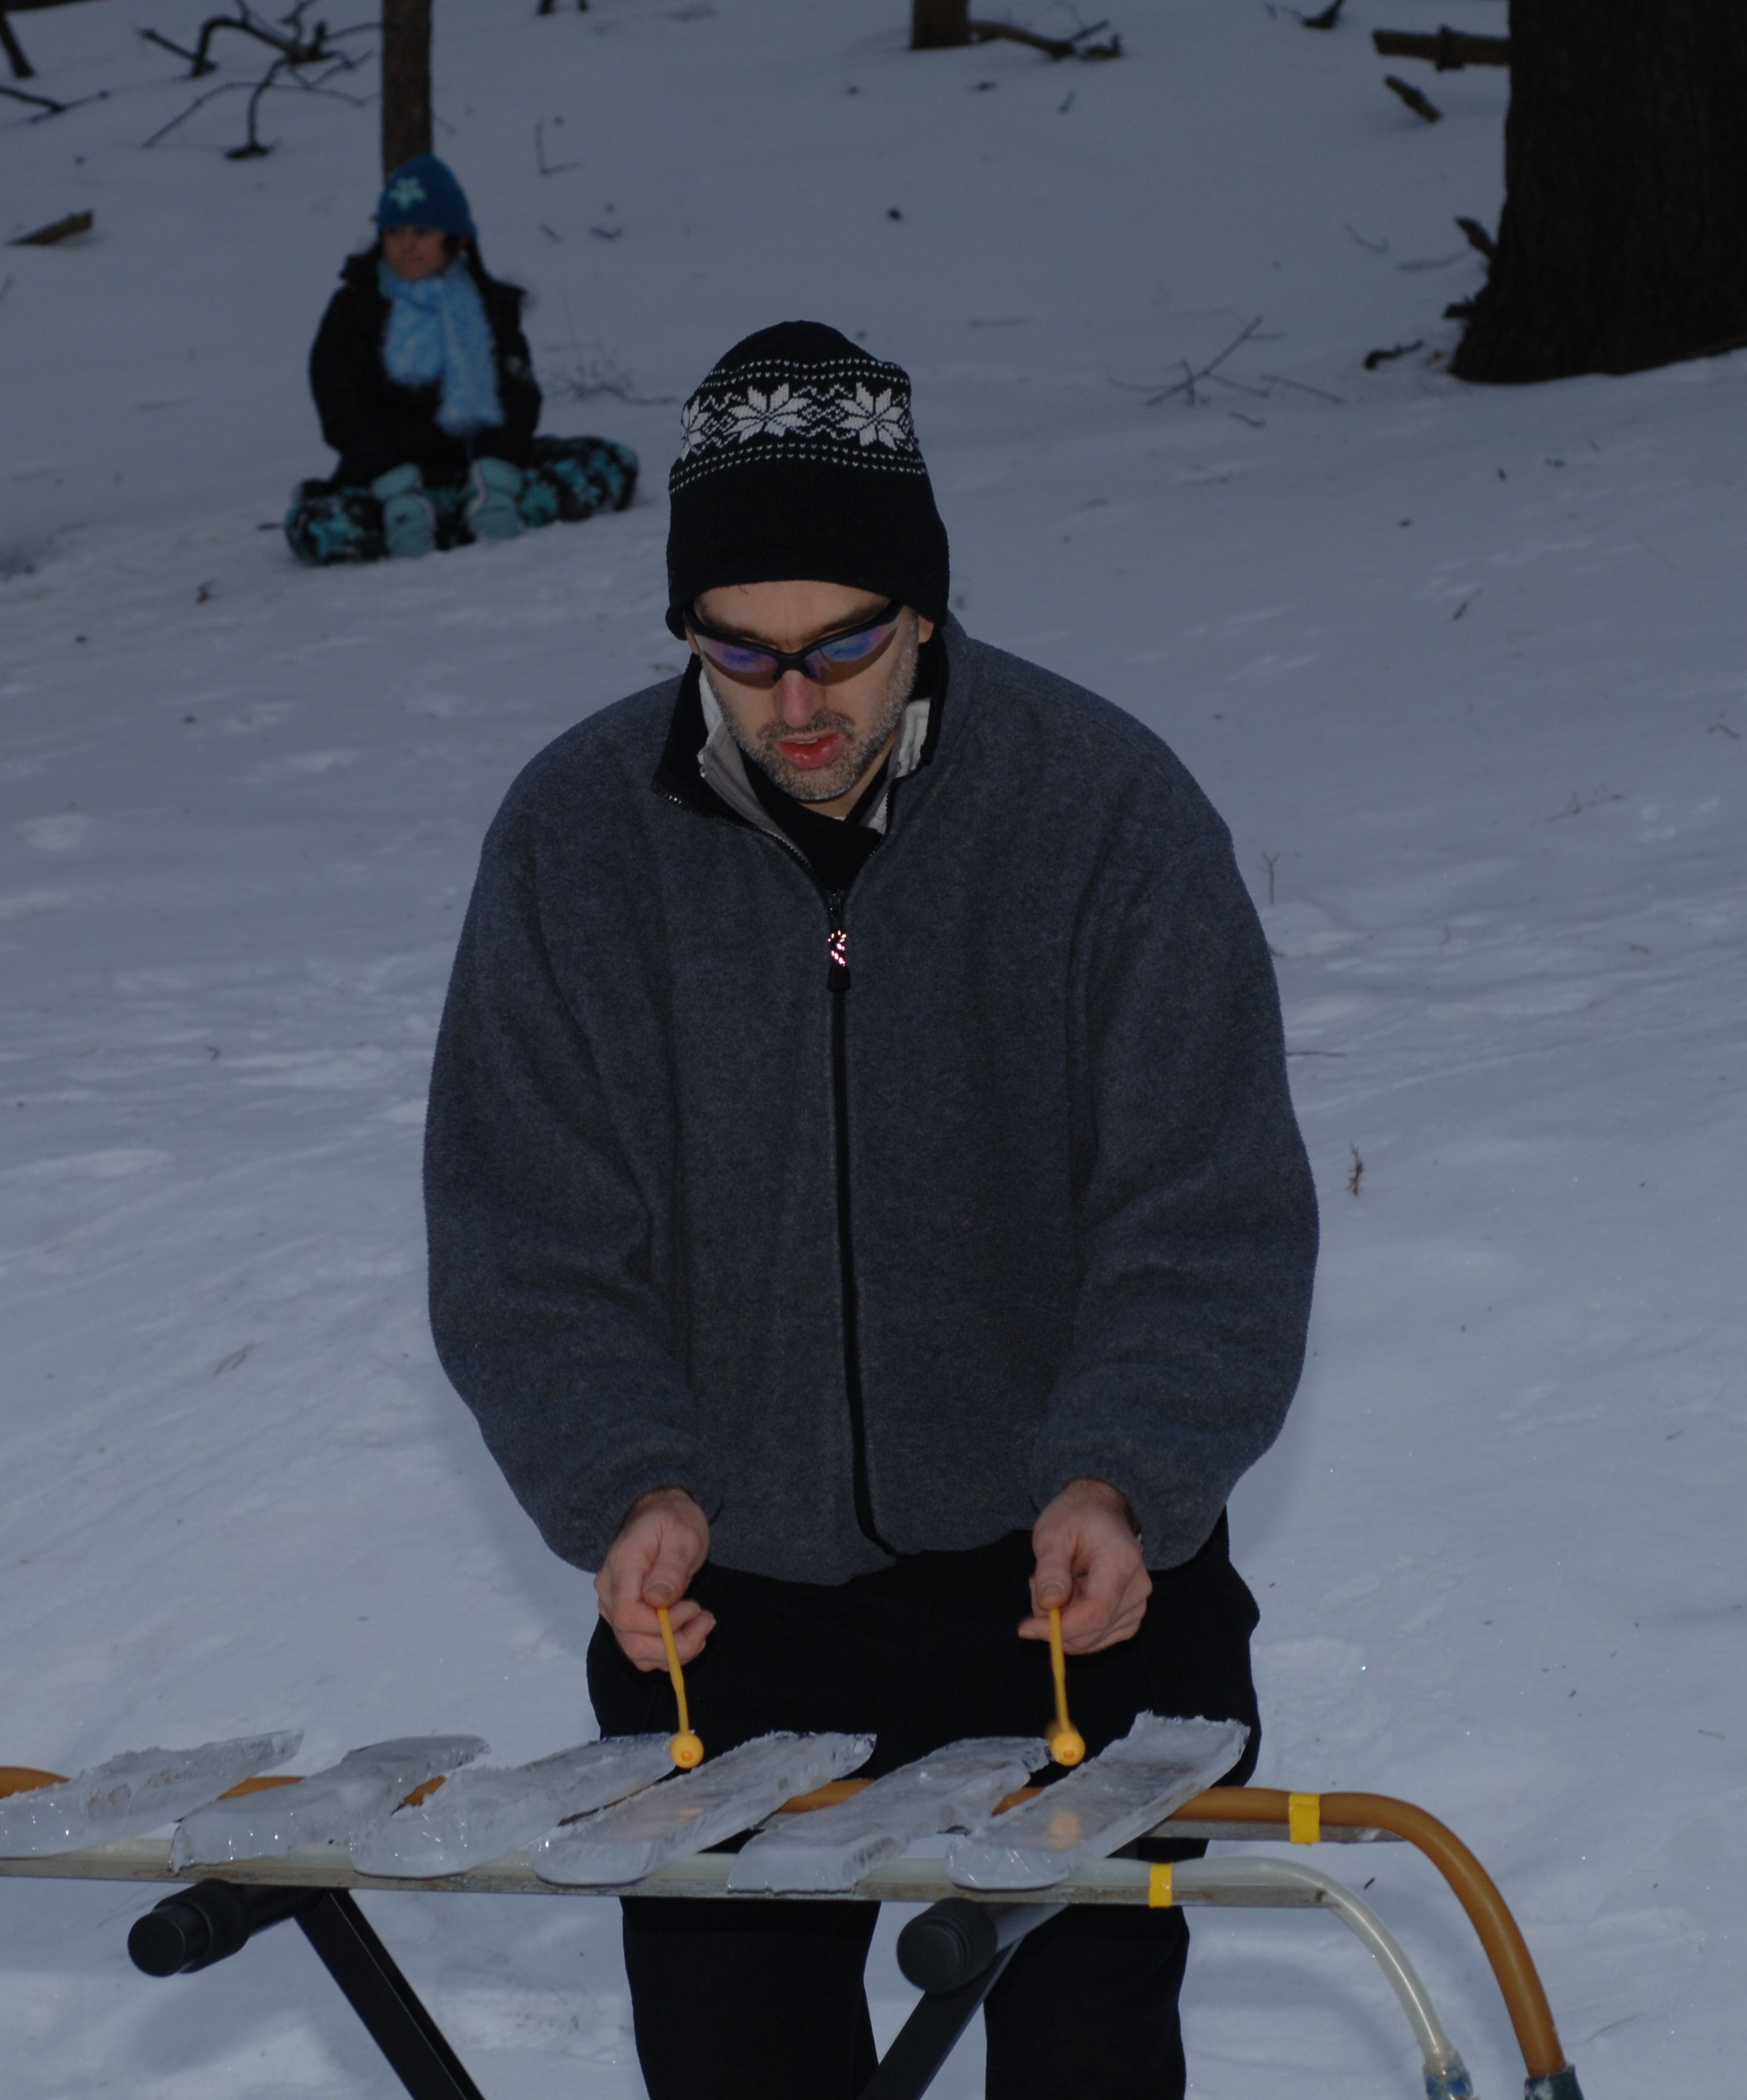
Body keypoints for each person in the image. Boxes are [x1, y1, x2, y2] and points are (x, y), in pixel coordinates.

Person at [423, 322, 1317, 2100]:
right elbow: (522, 1234)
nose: (795, 704)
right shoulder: (573, 839)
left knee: (1082, 2068)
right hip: (728, 1609)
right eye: (736, 653)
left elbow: (1202, 1213)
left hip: (1071, 1589)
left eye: (842, 642)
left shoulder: (1103, 812)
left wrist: (1121, 1471)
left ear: (924, 606)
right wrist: (627, 1479)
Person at [286, 152, 638, 567]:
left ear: (457, 240)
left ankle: (475, 514)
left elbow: (517, 399)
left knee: (612, 464)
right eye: (395, 232)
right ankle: (427, 521)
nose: (406, 245)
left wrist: (495, 479)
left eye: (422, 231)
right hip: (387, 480)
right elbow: (341, 407)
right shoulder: (353, 309)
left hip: (478, 472)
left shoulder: (490, 306)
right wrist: (395, 486)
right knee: (314, 525)